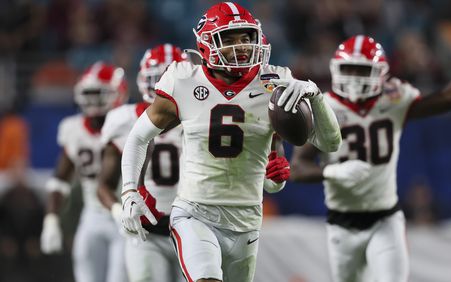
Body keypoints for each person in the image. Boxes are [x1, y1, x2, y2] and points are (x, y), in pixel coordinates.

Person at [119, 2, 342, 282]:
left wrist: (315, 96)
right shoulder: (183, 80)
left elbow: (330, 142)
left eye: (246, 37)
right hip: (194, 213)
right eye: (230, 39)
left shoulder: (276, 80)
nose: (242, 46)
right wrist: (129, 192)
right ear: (206, 44)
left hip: (247, 218)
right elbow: (139, 136)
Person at [290, 34, 451, 282]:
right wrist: (333, 172)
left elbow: (446, 100)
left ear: (381, 73)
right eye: (348, 69)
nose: (353, 79)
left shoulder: (393, 98)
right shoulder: (325, 107)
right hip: (342, 220)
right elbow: (297, 168)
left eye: (361, 70)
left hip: (384, 216)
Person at [97, 43, 188, 282]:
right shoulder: (123, 120)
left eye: (168, 78)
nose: (163, 86)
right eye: (156, 79)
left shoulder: (201, 114)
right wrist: (119, 211)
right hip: (146, 231)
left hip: (193, 227)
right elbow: (104, 184)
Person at [40, 62, 129, 282]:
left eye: (99, 94)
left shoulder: (130, 123)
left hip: (127, 215)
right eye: (89, 93)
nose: (93, 100)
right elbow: (60, 179)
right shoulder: (73, 128)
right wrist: (50, 219)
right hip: (91, 215)